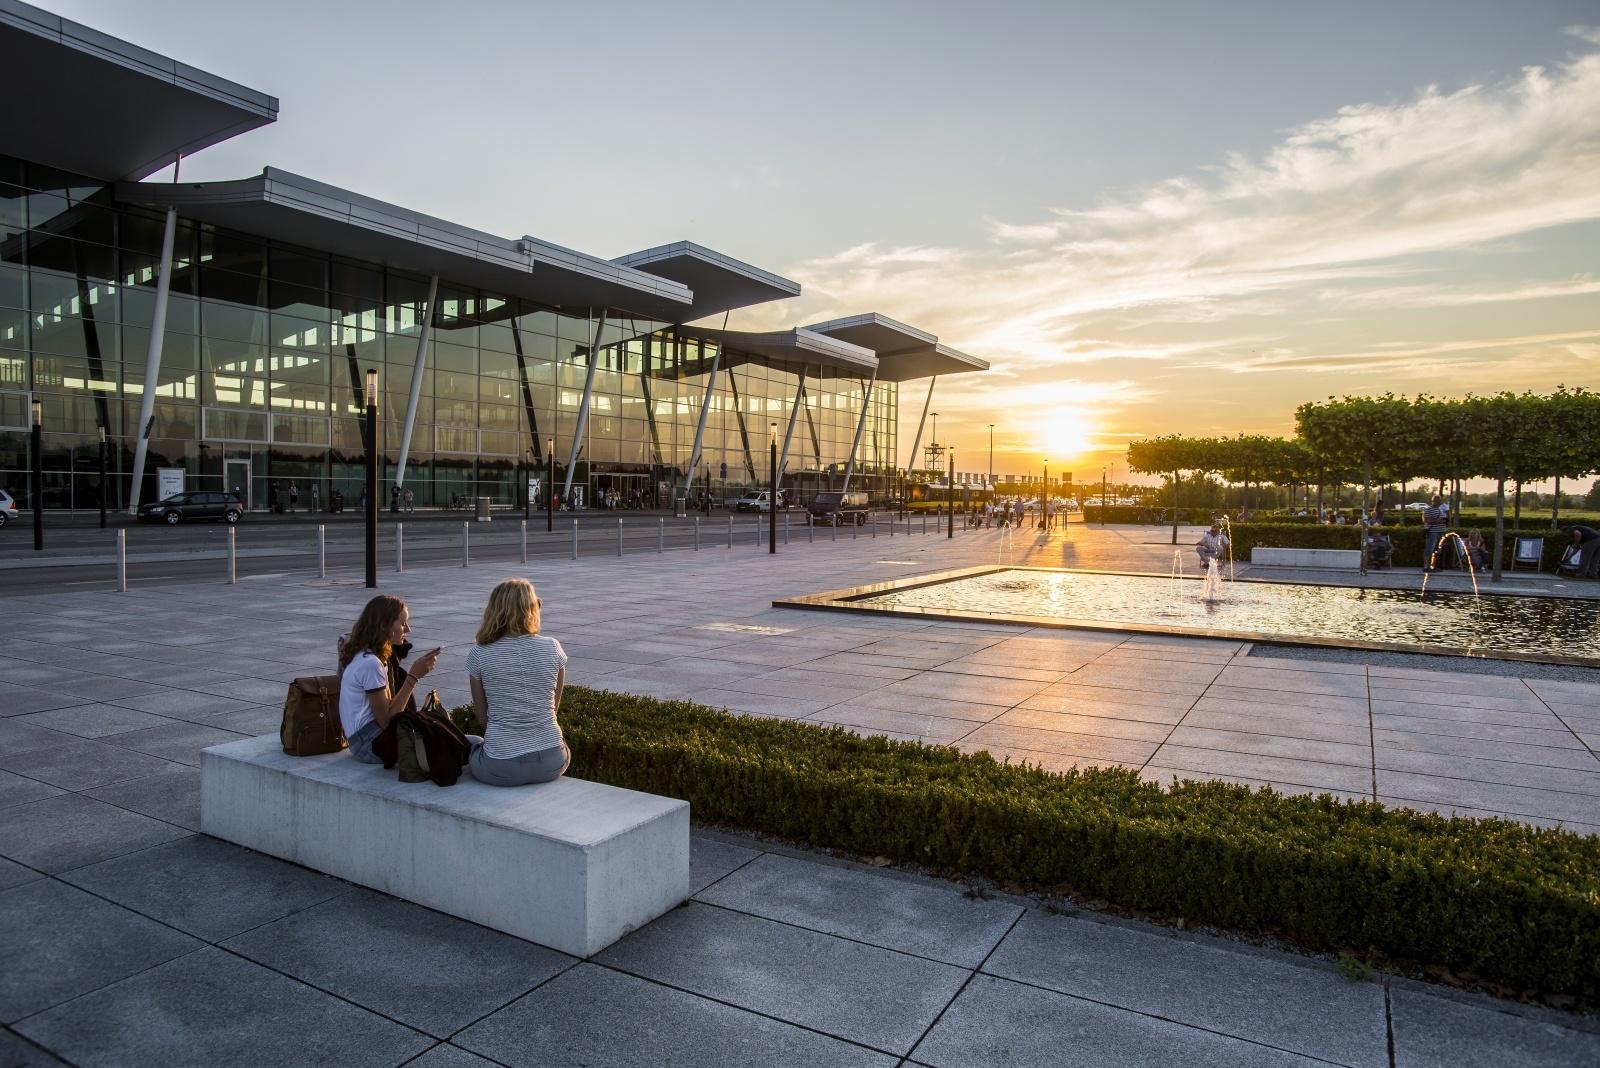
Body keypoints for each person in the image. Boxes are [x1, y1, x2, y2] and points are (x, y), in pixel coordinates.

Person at [466, 578, 570, 787]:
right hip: (553, 762)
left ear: (494, 610)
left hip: (501, 768)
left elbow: (483, 719)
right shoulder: (553, 647)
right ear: (531, 609)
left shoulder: (479, 653)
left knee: (473, 742)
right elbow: (553, 708)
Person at [338, 595, 441, 764]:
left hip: (363, 739)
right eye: (402, 623)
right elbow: (387, 721)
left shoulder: (364, 654)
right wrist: (413, 677)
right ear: (384, 626)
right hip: (368, 744)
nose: (408, 629)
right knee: (439, 737)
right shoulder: (370, 663)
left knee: (435, 727)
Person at [1422, 494, 1449, 571]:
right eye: (1438, 501)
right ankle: (1426, 566)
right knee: (1429, 549)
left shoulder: (1440, 509)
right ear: (1433, 501)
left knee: (1437, 550)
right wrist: (1440, 521)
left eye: (1440, 501)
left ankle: (1433, 565)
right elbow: (1426, 520)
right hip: (1432, 532)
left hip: (1441, 531)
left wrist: (1445, 521)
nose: (1440, 503)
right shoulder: (1428, 509)